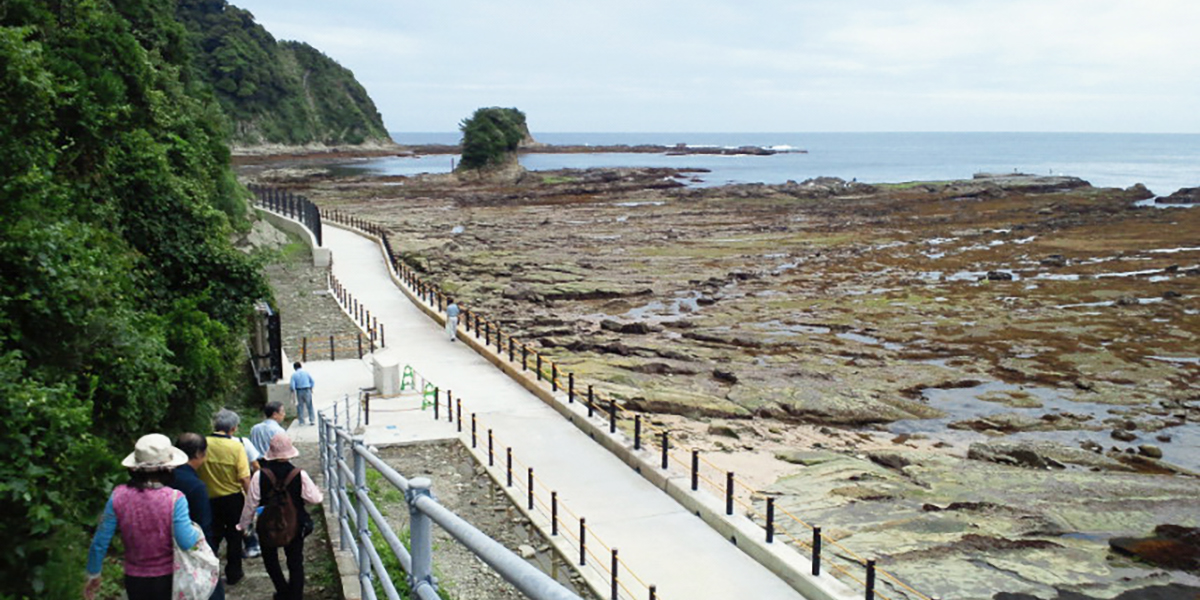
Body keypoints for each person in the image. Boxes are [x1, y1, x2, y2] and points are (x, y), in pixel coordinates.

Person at [85, 434, 201, 600]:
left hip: (134, 578)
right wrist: (195, 531)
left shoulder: (118, 495)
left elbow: (100, 541)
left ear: (135, 468)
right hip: (168, 577)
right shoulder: (175, 499)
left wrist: (93, 573)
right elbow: (186, 541)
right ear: (168, 468)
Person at [239, 434, 323, 600]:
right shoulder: (299, 474)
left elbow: (251, 503)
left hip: (268, 524)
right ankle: (295, 595)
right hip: (295, 524)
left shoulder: (259, 475)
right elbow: (315, 499)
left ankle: (282, 591)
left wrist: (243, 524)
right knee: (295, 561)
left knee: (271, 560)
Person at [198, 409, 251, 586]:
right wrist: (251, 499)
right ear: (234, 428)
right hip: (233, 498)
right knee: (234, 537)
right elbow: (244, 477)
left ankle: (209, 572)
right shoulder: (236, 447)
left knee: (212, 536)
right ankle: (234, 573)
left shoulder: (203, 443)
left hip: (208, 497)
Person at [172, 433, 225, 600]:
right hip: (190, 546)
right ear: (199, 454)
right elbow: (204, 523)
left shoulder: (166, 477)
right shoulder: (195, 486)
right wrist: (211, 554)